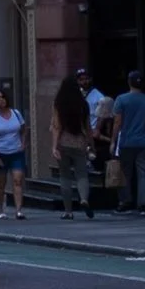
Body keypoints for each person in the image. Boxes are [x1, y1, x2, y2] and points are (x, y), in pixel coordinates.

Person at [52, 71, 97, 219]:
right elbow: (88, 127)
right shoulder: (83, 104)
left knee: (65, 177)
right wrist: (91, 145)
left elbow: (57, 126)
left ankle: (68, 211)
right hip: (80, 142)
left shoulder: (59, 103)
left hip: (63, 142)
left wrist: (54, 146)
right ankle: (84, 199)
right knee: (82, 174)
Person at [112, 69, 145, 215]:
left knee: (125, 172)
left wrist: (113, 141)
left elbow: (117, 122)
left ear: (128, 82)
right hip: (144, 141)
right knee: (144, 173)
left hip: (126, 141)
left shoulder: (121, 99)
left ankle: (125, 201)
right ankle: (143, 204)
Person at [0, 86, 27, 219]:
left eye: (3, 97)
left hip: (16, 152)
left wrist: (23, 144)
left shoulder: (16, 113)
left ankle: (18, 210)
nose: (1, 100)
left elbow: (24, 129)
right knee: (1, 183)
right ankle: (0, 210)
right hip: (1, 153)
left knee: (17, 180)